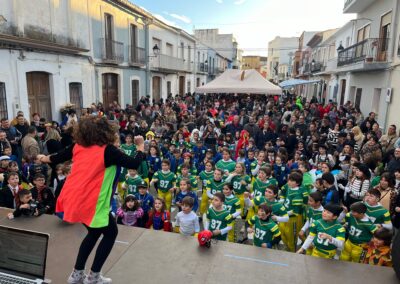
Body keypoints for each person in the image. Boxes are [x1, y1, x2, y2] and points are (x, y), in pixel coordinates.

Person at [37, 116, 146, 284]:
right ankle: (93, 276)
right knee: (111, 233)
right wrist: (140, 146)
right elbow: (133, 163)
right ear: (105, 132)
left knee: (94, 233)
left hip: (73, 198)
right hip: (92, 202)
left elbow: (56, 157)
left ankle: (77, 275)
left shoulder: (78, 146)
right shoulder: (108, 151)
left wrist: (43, 158)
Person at [280, 172, 304, 252]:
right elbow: (283, 193)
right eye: (289, 179)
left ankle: (292, 251)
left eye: (291, 180)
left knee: (291, 238)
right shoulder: (288, 187)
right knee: (282, 234)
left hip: (292, 219)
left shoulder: (298, 194)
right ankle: (287, 247)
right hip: (284, 216)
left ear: (297, 183)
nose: (289, 182)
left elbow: (295, 211)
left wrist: (283, 213)